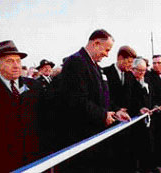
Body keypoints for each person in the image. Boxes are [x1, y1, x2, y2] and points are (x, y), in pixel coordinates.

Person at [49, 29, 131, 172]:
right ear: (96, 43)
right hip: (81, 136)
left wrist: (116, 111)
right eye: (106, 50)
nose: (107, 55)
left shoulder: (95, 66)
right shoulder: (75, 62)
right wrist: (103, 115)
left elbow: (102, 97)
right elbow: (76, 99)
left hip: (95, 135)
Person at [0, 40, 43, 172]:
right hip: (3, 162)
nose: (16, 66)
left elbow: (45, 119)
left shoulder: (34, 86)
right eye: (10, 61)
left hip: (35, 159)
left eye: (18, 61)